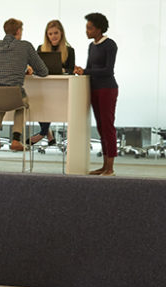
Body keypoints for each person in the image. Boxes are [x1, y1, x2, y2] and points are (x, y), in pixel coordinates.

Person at [0, 18, 49, 152]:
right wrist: (25, 69)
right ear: (18, 31)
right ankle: (16, 139)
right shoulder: (25, 46)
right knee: (21, 105)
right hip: (13, 94)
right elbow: (43, 71)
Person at [73, 12, 118, 176]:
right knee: (100, 127)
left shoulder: (110, 44)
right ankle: (104, 165)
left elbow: (108, 70)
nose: (87, 31)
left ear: (99, 29)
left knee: (108, 127)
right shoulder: (92, 46)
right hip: (94, 88)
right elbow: (89, 68)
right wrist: (81, 71)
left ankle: (110, 167)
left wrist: (86, 71)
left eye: (90, 28)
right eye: (86, 28)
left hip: (107, 89)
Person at [32, 20, 76, 146]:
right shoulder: (41, 48)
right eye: (50, 34)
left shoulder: (69, 50)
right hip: (44, 87)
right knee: (38, 101)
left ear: (61, 33)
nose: (53, 36)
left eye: (56, 33)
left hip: (61, 90)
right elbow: (36, 68)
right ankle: (47, 132)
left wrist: (63, 70)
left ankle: (43, 133)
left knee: (48, 102)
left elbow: (71, 70)